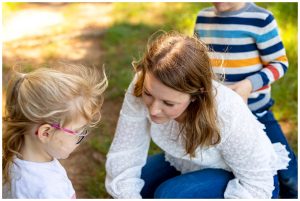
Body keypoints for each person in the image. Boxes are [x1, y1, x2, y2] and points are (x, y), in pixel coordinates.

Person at [105, 32, 290, 199]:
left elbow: (257, 183)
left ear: (196, 95)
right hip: (187, 163)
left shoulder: (226, 112)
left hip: (247, 179)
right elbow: (125, 151)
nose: (153, 110)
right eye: (148, 95)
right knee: (136, 185)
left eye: (168, 103)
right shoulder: (144, 83)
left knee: (169, 195)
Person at [194, 2, 298, 198]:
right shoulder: (203, 17)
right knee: (232, 167)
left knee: (288, 174)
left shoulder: (260, 19)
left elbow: (279, 63)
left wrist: (248, 85)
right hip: (219, 114)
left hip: (256, 111)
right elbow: (198, 61)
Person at [2, 63, 108, 198]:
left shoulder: (11, 158)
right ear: (46, 133)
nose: (80, 138)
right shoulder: (50, 189)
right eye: (77, 132)